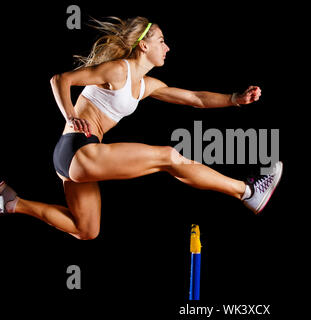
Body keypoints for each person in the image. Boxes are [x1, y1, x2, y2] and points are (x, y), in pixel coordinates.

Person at [0, 17, 283, 240]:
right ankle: (246, 192)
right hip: (79, 149)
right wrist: (71, 116)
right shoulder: (118, 70)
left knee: (87, 230)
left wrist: (234, 100)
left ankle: (14, 203)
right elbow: (59, 79)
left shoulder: (147, 85)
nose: (168, 47)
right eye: (162, 41)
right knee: (169, 158)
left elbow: (195, 98)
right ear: (144, 46)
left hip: (74, 160)